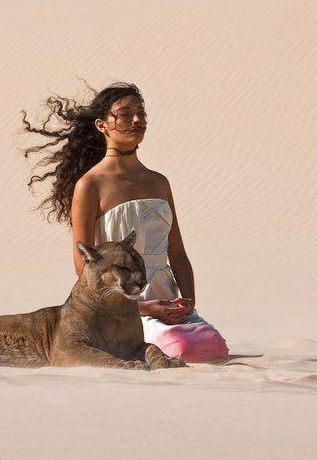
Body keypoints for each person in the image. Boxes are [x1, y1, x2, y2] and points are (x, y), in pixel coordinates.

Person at [21, 81, 229, 363]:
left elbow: (177, 253)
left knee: (213, 347)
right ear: (102, 125)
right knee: (181, 348)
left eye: (141, 113)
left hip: (170, 304)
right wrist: (144, 308)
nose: (136, 120)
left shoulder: (159, 182)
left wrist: (188, 303)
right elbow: (83, 266)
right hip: (120, 309)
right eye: (125, 114)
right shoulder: (90, 185)